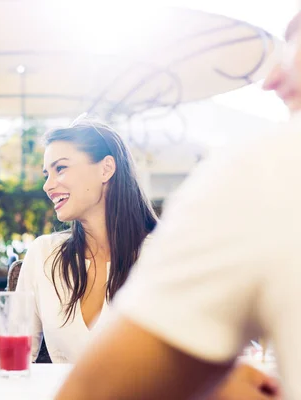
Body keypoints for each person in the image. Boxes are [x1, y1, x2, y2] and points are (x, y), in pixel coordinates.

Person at [55, 12, 301, 400]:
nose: (271, 80)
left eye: (295, 48)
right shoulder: (46, 256)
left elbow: (90, 393)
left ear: (107, 169)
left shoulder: (265, 168)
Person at [16, 120, 157, 364]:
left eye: (60, 168)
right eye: (46, 174)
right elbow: (14, 359)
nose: (47, 185)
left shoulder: (162, 258)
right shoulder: (44, 255)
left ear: (106, 169)